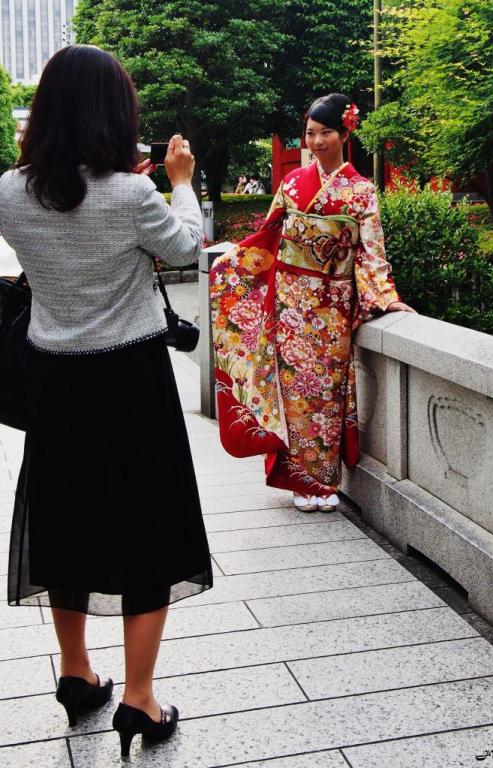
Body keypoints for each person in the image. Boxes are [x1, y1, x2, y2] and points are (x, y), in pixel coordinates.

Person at [0, 45, 212, 758]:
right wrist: (178, 183)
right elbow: (185, 247)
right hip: (130, 383)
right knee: (147, 528)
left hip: (54, 383)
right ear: (112, 113)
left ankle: (75, 673)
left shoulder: (8, 190)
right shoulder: (130, 195)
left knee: (66, 522)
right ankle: (141, 701)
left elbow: (61, 226)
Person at [210, 93, 414, 512]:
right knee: (294, 393)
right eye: (310, 133)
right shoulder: (291, 183)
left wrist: (386, 297)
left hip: (332, 304)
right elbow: (267, 234)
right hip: (289, 300)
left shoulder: (360, 191)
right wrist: (232, 264)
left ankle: (324, 481)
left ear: (345, 133)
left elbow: (371, 251)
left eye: (325, 132)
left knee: (324, 395)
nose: (317, 141)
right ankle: (299, 481)